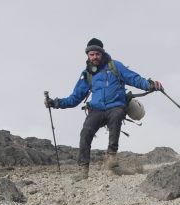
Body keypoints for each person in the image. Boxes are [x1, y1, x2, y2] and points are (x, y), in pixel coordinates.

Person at [44, 38, 163, 180]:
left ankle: (111, 160)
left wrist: (150, 85)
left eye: (97, 54)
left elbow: (134, 78)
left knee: (117, 115)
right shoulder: (87, 74)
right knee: (85, 133)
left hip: (115, 106)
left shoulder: (115, 66)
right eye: (91, 54)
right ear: (88, 56)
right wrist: (55, 103)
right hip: (96, 110)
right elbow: (75, 98)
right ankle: (83, 171)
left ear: (102, 54)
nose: (94, 57)